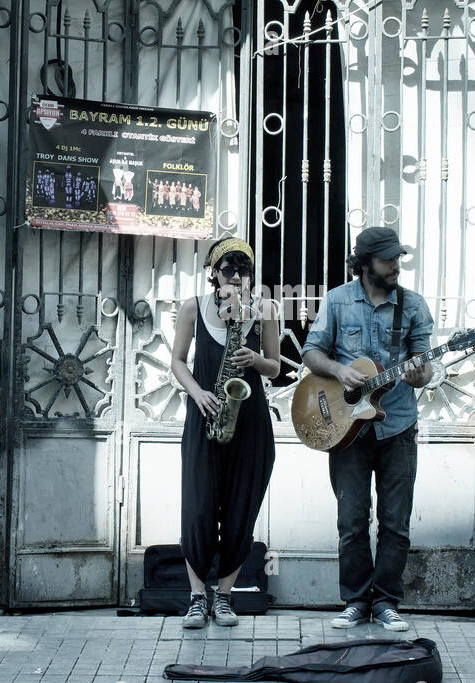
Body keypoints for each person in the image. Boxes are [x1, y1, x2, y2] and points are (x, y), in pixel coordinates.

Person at [301, 227, 434, 632]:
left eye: (398, 259)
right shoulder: (338, 300)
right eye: (388, 260)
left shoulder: (412, 305)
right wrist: (340, 370)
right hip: (346, 429)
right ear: (364, 263)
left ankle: (387, 603)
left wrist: (417, 375)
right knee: (353, 521)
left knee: (396, 522)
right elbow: (311, 352)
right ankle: (357, 601)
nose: (396, 266)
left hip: (397, 427)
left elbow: (425, 368)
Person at [170, 238, 278, 628]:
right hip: (205, 415)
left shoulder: (265, 309)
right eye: (228, 269)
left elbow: (276, 367)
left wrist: (255, 359)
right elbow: (178, 362)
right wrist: (197, 392)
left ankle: (226, 597)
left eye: (243, 270)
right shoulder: (192, 308)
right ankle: (197, 597)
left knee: (240, 509)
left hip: (250, 423)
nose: (236, 276)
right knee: (198, 506)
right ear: (213, 273)